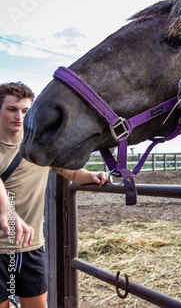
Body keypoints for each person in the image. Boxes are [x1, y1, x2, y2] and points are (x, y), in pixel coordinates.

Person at [0, 82, 107, 308]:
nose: (19, 116)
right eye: (12, 109)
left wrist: (92, 176)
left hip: (31, 246)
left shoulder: (37, 147)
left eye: (25, 110)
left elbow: (70, 171)